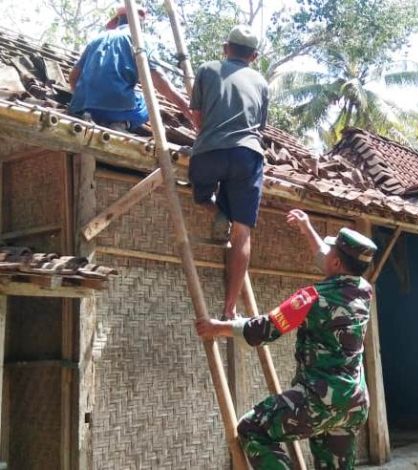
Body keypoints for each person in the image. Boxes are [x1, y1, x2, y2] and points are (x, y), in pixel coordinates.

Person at [195, 209, 377, 468]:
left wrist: (219, 327)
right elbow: (330, 262)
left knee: (252, 429)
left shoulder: (311, 297)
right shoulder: (364, 291)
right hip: (354, 404)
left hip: (319, 399)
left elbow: (265, 329)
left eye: (332, 253)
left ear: (336, 263)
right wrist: (307, 228)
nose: (325, 255)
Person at [188, 24, 269, 320]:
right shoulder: (261, 82)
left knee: (200, 196)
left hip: (209, 152)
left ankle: (217, 210)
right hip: (247, 154)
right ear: (255, 56)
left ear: (225, 48)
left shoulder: (207, 69)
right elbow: (260, 128)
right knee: (242, 231)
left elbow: (197, 117)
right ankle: (229, 308)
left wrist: (212, 134)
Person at [69, 5, 191, 132]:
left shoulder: (96, 40)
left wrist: (83, 99)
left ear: (117, 21)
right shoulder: (140, 41)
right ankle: (122, 123)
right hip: (115, 109)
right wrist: (185, 106)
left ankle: (88, 115)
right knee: (149, 106)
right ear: (140, 24)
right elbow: (158, 80)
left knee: (99, 105)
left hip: (81, 107)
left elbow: (73, 77)